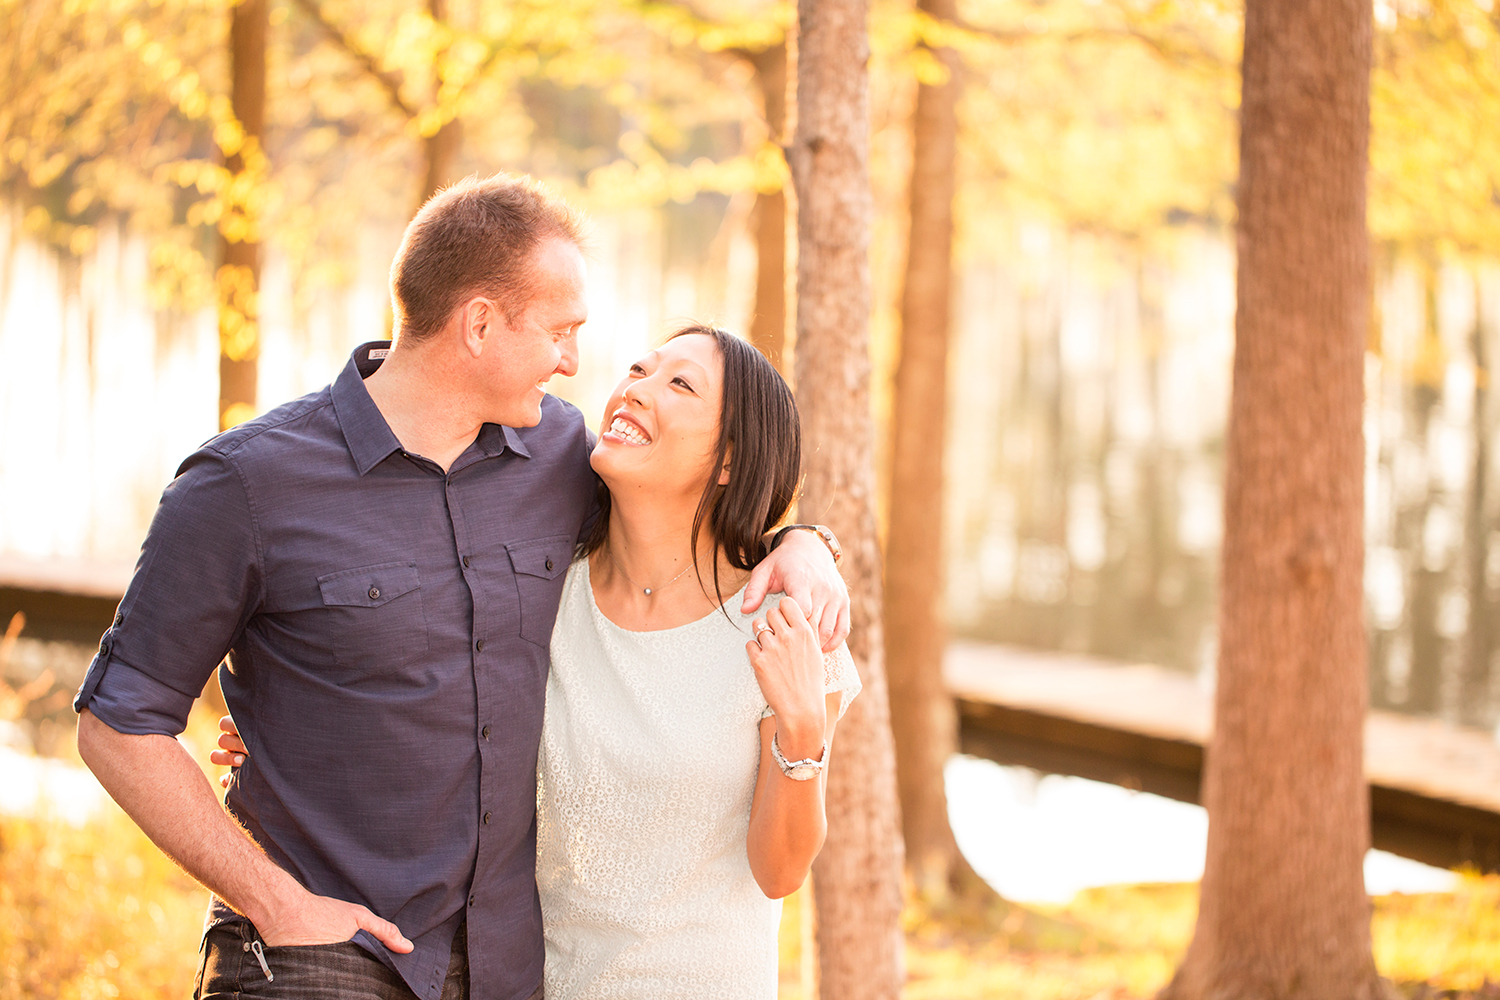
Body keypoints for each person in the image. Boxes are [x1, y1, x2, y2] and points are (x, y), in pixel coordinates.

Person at [72, 174, 849, 1000]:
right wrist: (276, 902)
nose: (575, 364)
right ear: (479, 323)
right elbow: (118, 726)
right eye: (561, 331)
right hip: (319, 950)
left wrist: (808, 541)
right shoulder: (247, 483)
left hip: (504, 967)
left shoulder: (560, 461)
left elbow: (688, 523)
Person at [221, 326, 859, 1000]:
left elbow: (780, 871)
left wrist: (802, 726)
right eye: (639, 368)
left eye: (679, 384)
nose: (636, 389)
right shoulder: (540, 587)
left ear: (730, 459)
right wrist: (294, 730)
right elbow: (431, 696)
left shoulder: (785, 621)